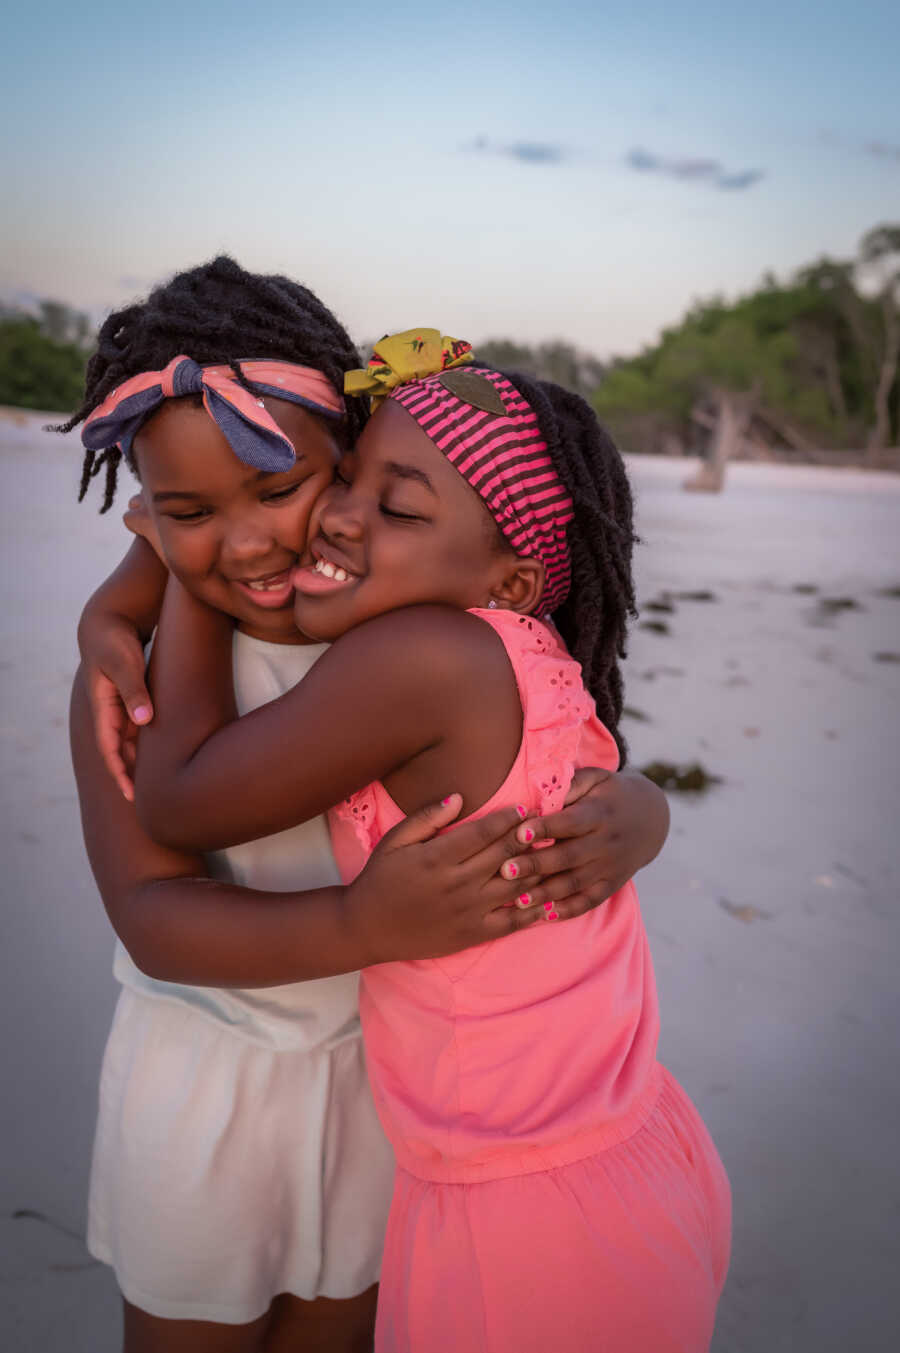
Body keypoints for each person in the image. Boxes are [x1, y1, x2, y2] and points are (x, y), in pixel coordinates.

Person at [65, 268, 671, 1353]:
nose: (248, 545)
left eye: (282, 487)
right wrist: (151, 591)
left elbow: (547, 733)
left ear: (343, 460)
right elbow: (153, 918)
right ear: (145, 510)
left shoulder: (380, 634)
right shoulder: (132, 684)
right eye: (187, 513)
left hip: (387, 1091)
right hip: (210, 1086)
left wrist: (639, 806)